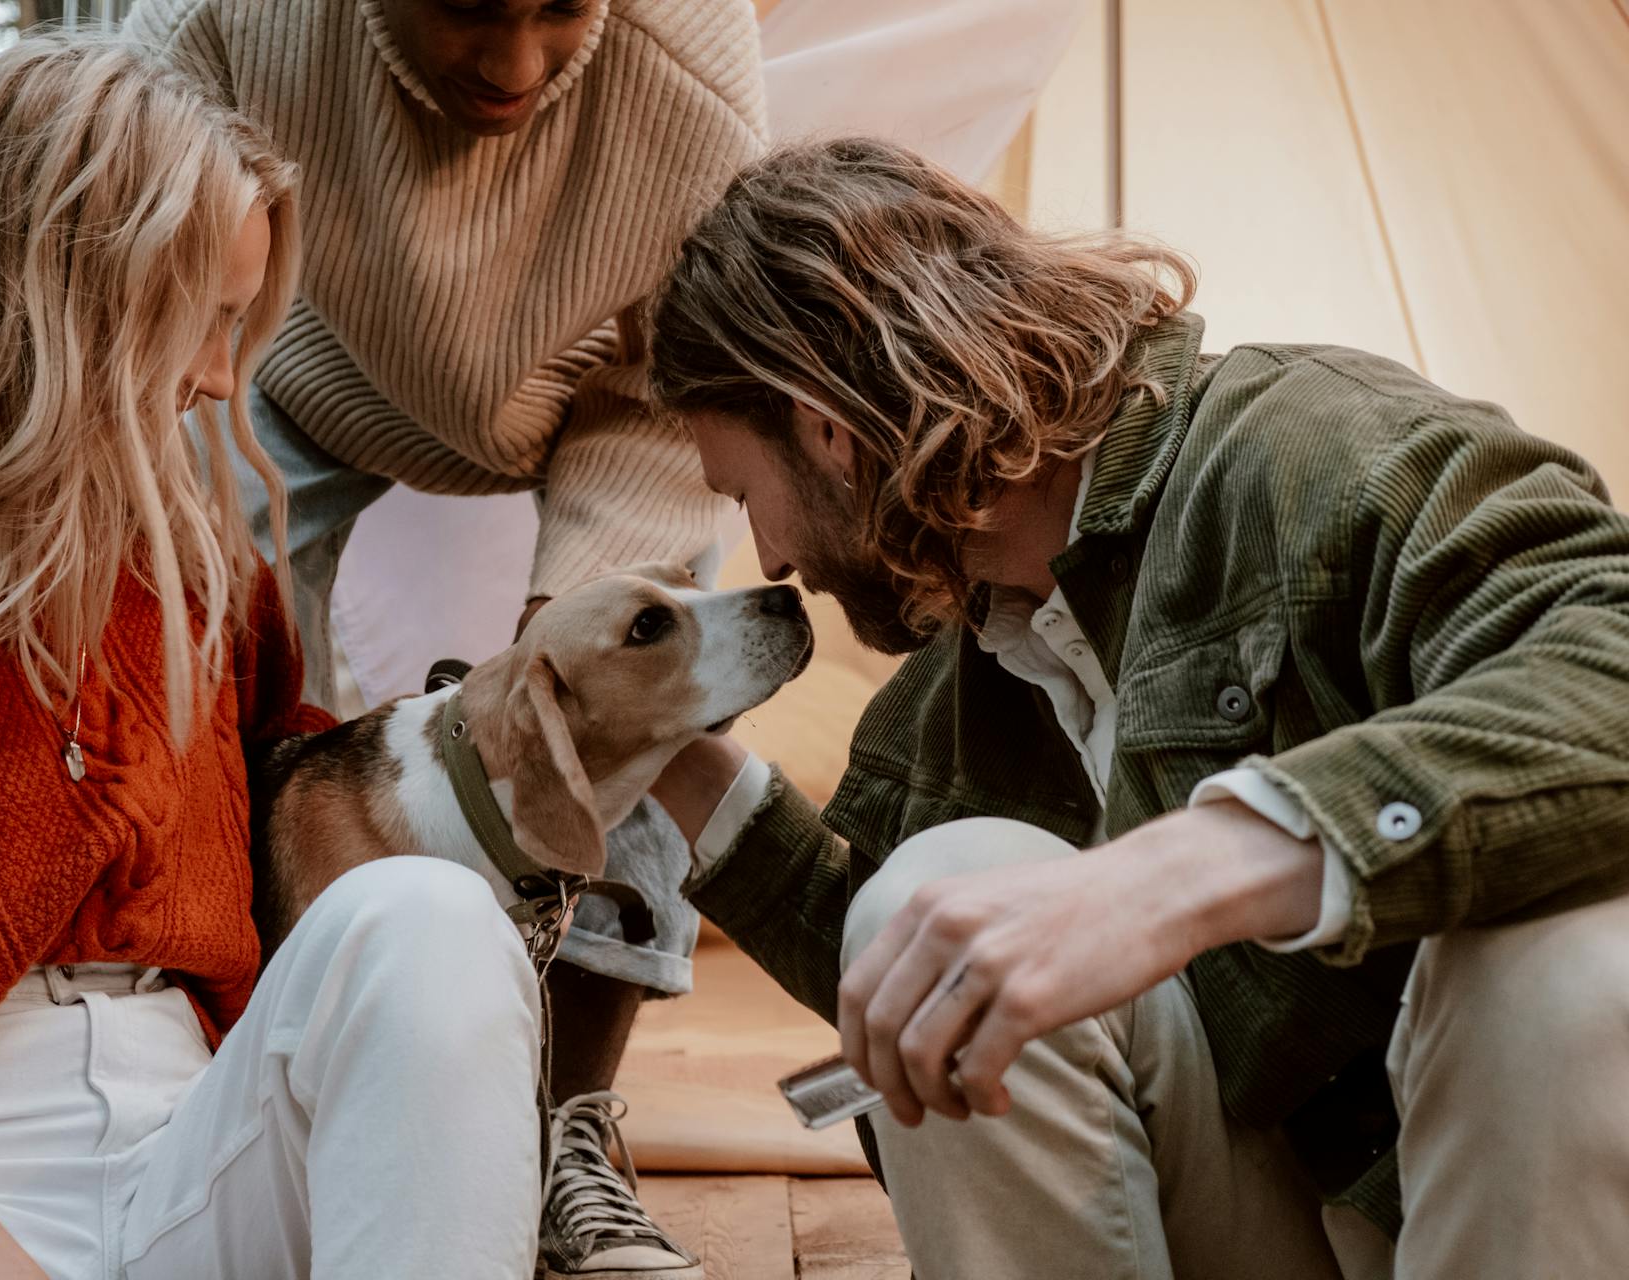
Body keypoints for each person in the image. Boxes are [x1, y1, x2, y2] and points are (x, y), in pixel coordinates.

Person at [644, 137, 1629, 1280]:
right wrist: (684, 773)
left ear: (828, 426)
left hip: (1505, 1204)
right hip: (1272, 1222)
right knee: (941, 889)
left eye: (745, 495)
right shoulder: (951, 703)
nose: (770, 551)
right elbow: (925, 1001)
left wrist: (1184, 872)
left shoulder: (1315, 451)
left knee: (1558, 951)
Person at [0, 35, 547, 1279]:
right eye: (203, 320)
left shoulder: (204, 566)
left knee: (427, 915)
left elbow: (296, 799)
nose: (221, 380)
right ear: (70, 292)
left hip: (193, 1135)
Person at [115, 2, 766, 1271]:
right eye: (468, 4)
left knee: (649, 680)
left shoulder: (696, 79)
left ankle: (566, 1131)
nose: (516, 66)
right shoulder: (219, 20)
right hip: (277, 369)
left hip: (602, 394)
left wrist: (562, 658)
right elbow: (134, 285)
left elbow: (682, 381)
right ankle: (248, 1059)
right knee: (188, 665)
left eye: (564, 9)